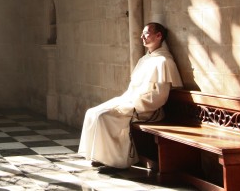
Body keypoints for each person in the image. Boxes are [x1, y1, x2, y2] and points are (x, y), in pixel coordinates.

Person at [78, 22, 183, 173]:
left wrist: (134, 105)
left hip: (147, 109)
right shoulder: (144, 59)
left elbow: (160, 96)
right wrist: (124, 100)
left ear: (159, 36)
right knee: (92, 113)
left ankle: (116, 162)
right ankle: (99, 156)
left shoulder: (164, 61)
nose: (142, 37)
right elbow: (132, 88)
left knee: (104, 117)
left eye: (146, 33)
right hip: (131, 100)